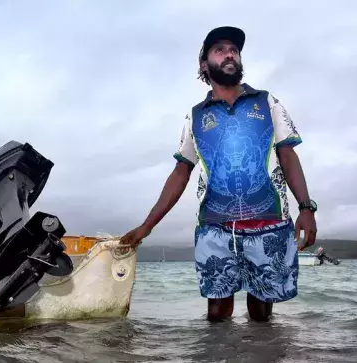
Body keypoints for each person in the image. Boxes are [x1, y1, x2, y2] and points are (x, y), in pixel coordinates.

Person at [119, 26, 318, 322]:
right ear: (204, 64)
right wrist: (147, 226)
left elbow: (287, 155)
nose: (230, 54)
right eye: (220, 50)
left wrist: (306, 207)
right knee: (216, 313)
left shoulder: (266, 102)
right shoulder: (196, 116)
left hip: (269, 223)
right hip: (215, 227)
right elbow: (181, 170)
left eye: (234, 50)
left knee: (262, 312)